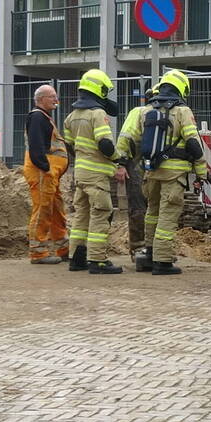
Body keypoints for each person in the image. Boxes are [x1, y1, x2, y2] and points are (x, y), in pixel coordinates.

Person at [122, 69, 208, 275]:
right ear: (182, 89)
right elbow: (193, 143)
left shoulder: (145, 111)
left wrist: (124, 164)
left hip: (151, 172)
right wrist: (201, 172)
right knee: (168, 216)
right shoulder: (182, 112)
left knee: (152, 213)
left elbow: (131, 140)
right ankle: (163, 261)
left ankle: (150, 254)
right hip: (174, 175)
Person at [63, 69, 125, 275]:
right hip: (97, 176)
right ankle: (97, 260)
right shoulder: (98, 114)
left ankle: (76, 258)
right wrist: (118, 158)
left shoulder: (71, 117)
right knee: (101, 213)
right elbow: (105, 144)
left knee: (81, 215)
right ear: (100, 90)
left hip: (80, 174)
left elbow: (70, 146)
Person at [23, 84, 69, 264]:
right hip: (43, 172)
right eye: (52, 96)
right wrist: (45, 167)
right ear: (41, 99)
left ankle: (63, 248)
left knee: (56, 209)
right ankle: (38, 253)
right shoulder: (37, 117)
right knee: (42, 209)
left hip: (50, 174)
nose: (56, 100)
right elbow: (36, 145)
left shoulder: (44, 118)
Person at [116, 84, 154, 271]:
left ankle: (149, 248)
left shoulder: (143, 113)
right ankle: (140, 247)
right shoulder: (139, 113)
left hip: (147, 166)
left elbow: (125, 137)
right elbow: (126, 138)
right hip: (139, 165)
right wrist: (121, 164)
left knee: (148, 208)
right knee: (140, 207)